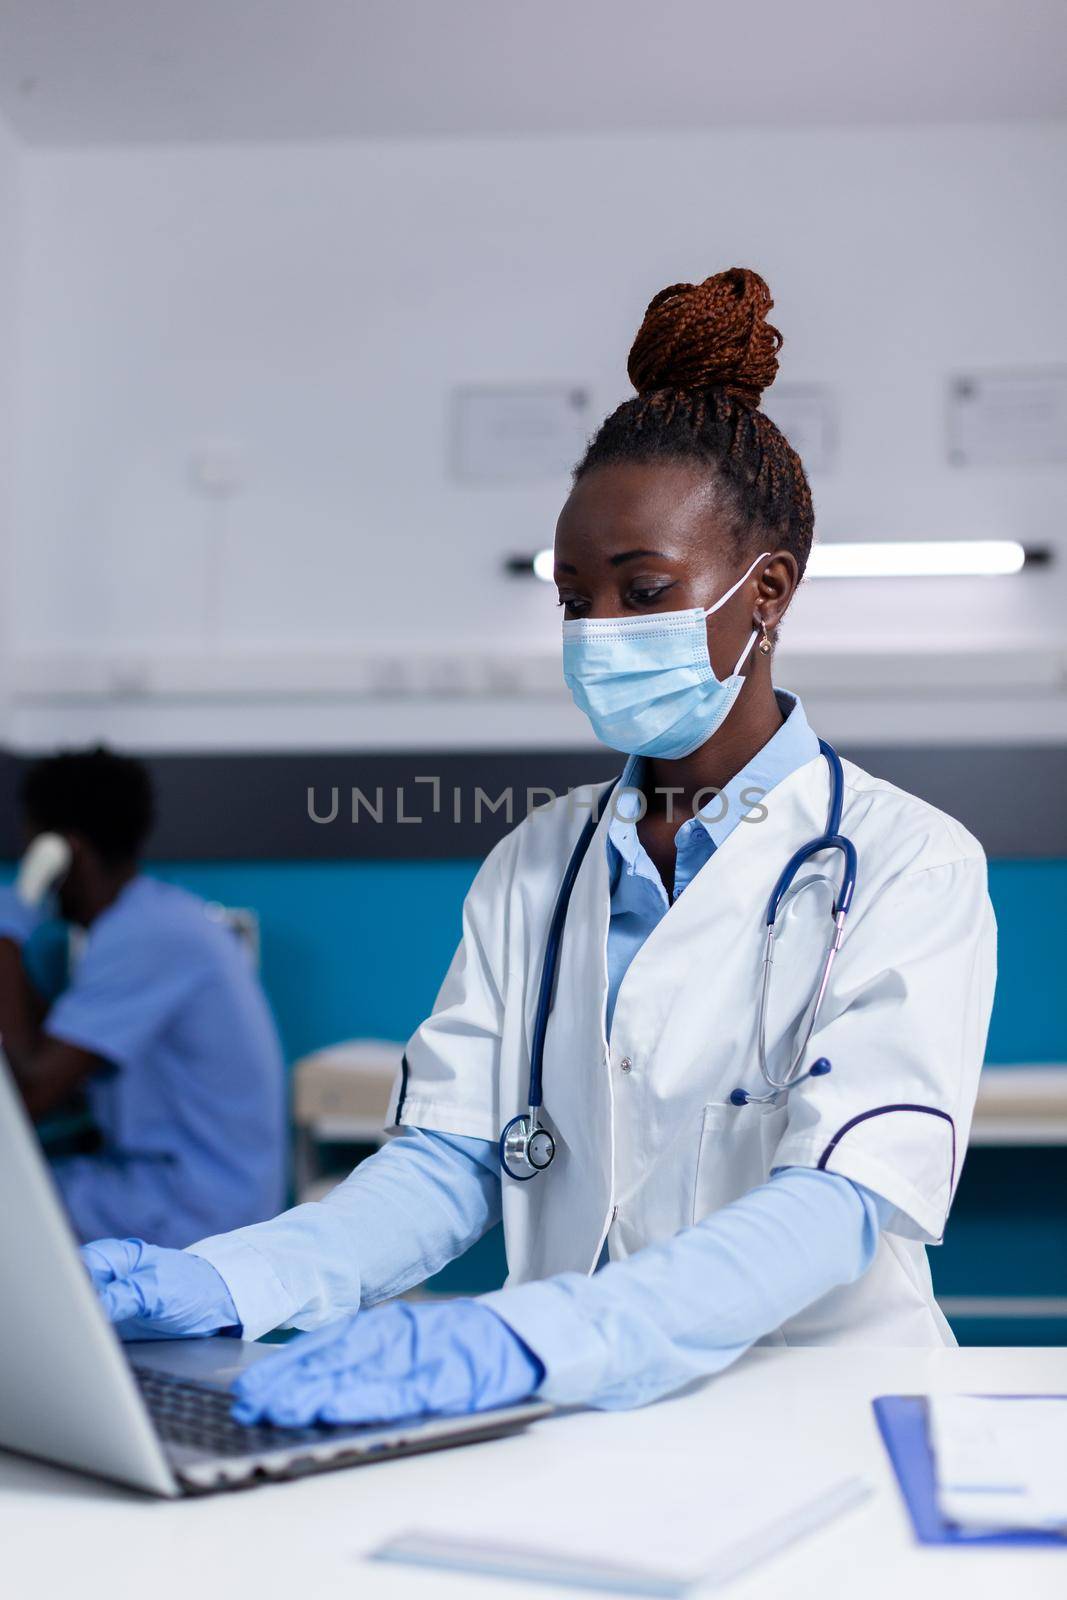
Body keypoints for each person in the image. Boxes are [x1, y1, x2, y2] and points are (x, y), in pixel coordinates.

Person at [83, 269, 996, 1429]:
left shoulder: (907, 860)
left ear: (764, 593)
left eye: (642, 589)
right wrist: (232, 1277)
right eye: (572, 598)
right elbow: (449, 1158)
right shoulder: (536, 862)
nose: (596, 634)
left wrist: (540, 1332)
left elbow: (841, 1197)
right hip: (573, 1415)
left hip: (821, 1411)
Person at [0, 746, 286, 1247]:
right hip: (189, 1191)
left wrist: (7, 931)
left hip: (193, 1209)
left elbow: (29, 1092)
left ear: (62, 852)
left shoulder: (145, 937)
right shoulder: (154, 919)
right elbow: (53, 1052)